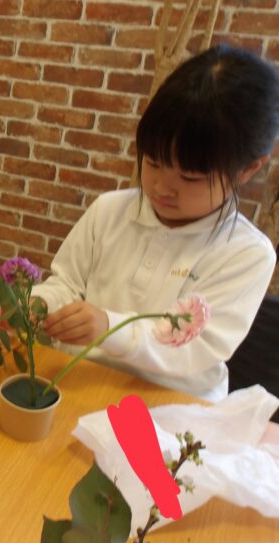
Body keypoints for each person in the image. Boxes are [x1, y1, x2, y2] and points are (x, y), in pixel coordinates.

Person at [32, 44, 279, 402]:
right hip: (80, 380)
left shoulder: (246, 253)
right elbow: (68, 284)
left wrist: (107, 326)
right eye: (153, 162)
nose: (162, 187)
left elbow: (195, 348)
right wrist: (37, 305)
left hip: (172, 404)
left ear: (248, 168)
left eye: (190, 177)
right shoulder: (109, 211)